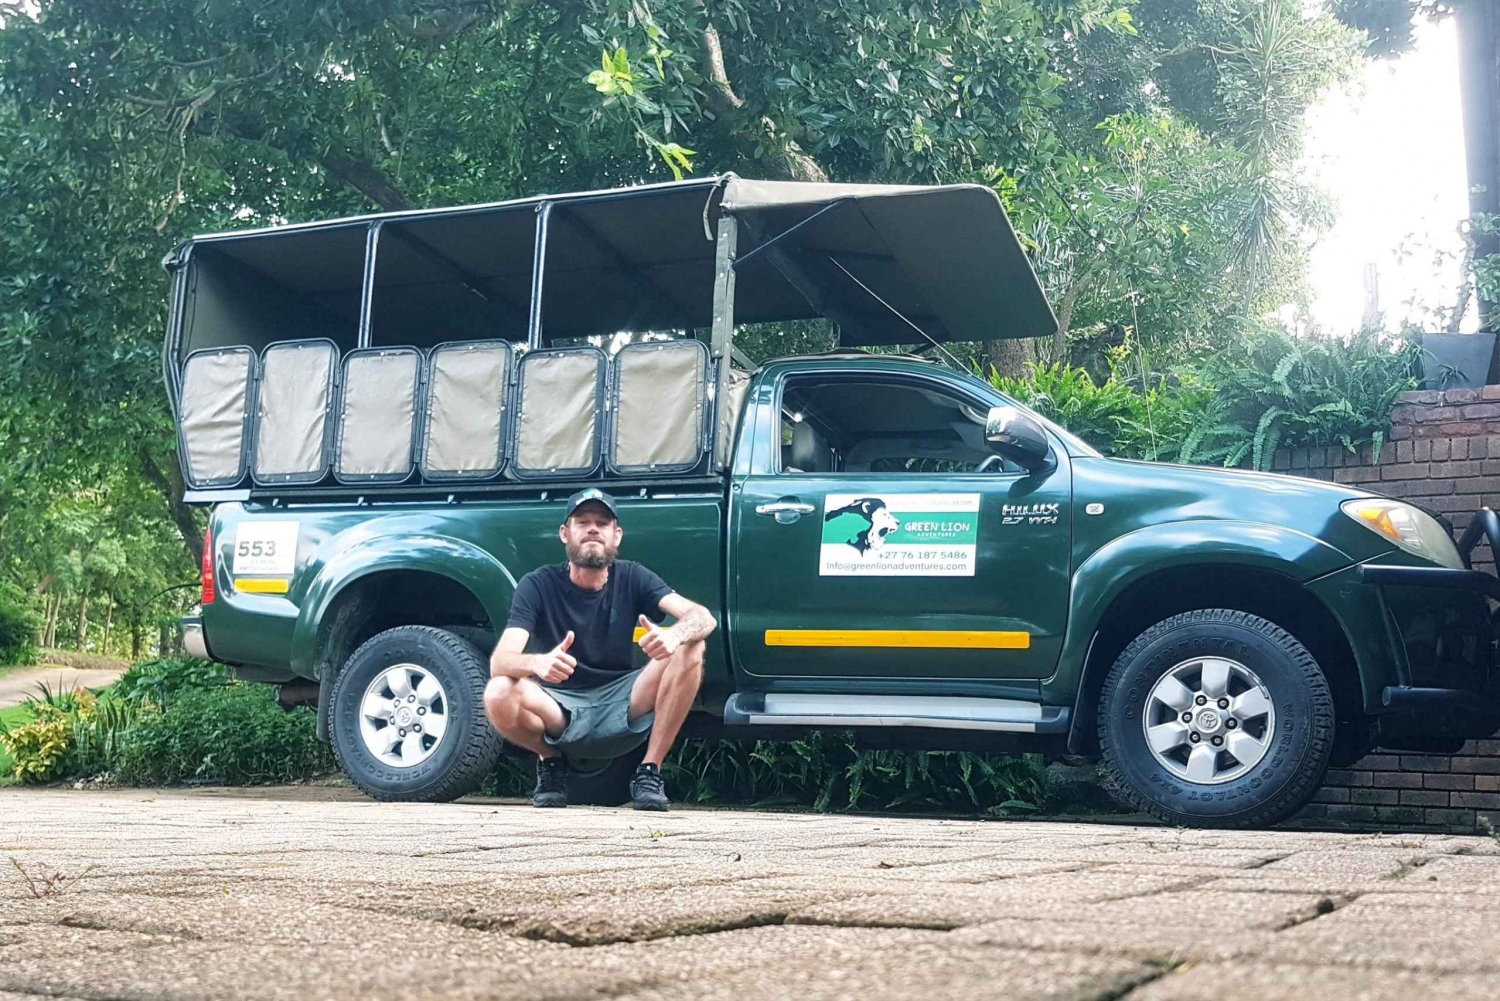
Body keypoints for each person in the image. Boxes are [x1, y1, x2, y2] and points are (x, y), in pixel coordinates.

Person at [485, 488, 717, 811]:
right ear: (565, 533)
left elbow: (703, 617)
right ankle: (550, 762)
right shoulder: (537, 584)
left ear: (616, 535)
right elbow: (500, 662)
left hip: (624, 699)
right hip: (557, 706)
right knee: (498, 691)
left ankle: (650, 771)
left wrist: (674, 636)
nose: (593, 529)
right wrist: (538, 663)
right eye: (582, 522)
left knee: (692, 646)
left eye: (602, 523)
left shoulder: (634, 576)